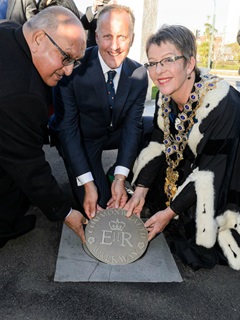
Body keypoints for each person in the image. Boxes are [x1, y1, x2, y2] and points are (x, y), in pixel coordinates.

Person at [124, 24, 240, 271]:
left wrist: (168, 213)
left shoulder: (221, 102)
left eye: (167, 60)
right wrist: (141, 189)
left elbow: (212, 172)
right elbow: (158, 142)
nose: (158, 71)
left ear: (189, 64)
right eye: (152, 63)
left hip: (227, 172)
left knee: (198, 234)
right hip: (194, 165)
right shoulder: (164, 95)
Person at [49, 4, 152, 219]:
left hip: (114, 131)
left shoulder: (139, 74)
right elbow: (68, 129)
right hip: (81, 137)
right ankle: (92, 179)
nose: (114, 46)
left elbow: (133, 127)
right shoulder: (73, 69)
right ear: (95, 37)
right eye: (107, 36)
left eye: (122, 37)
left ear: (132, 38)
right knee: (100, 205)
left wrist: (120, 177)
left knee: (153, 127)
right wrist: (87, 184)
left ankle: (115, 174)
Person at [0, 6, 87, 248]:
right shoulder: (22, 94)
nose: (69, 71)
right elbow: (29, 165)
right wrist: (66, 212)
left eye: (75, 63)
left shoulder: (8, 30)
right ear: (39, 38)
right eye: (66, 57)